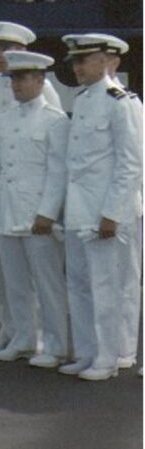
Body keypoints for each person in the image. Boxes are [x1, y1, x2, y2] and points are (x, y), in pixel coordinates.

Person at [0, 21, 63, 353]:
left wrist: (49, 210)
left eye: (11, 49)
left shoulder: (46, 100)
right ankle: (11, 328)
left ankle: (46, 339)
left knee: (41, 278)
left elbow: (51, 160)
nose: (3, 55)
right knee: (3, 274)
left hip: (31, 200)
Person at [58, 34, 141, 381]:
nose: (77, 67)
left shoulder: (119, 102)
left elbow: (131, 163)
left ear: (107, 61)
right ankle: (88, 351)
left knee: (109, 287)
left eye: (85, 59)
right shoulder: (83, 100)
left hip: (105, 213)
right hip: (79, 211)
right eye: (75, 61)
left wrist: (112, 213)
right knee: (78, 285)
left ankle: (109, 358)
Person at [97, 34, 143, 372]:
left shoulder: (125, 102)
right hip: (122, 200)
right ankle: (120, 348)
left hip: (128, 201)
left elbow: (132, 161)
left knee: (128, 281)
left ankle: (127, 348)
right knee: (117, 280)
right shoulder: (103, 100)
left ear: (114, 62)